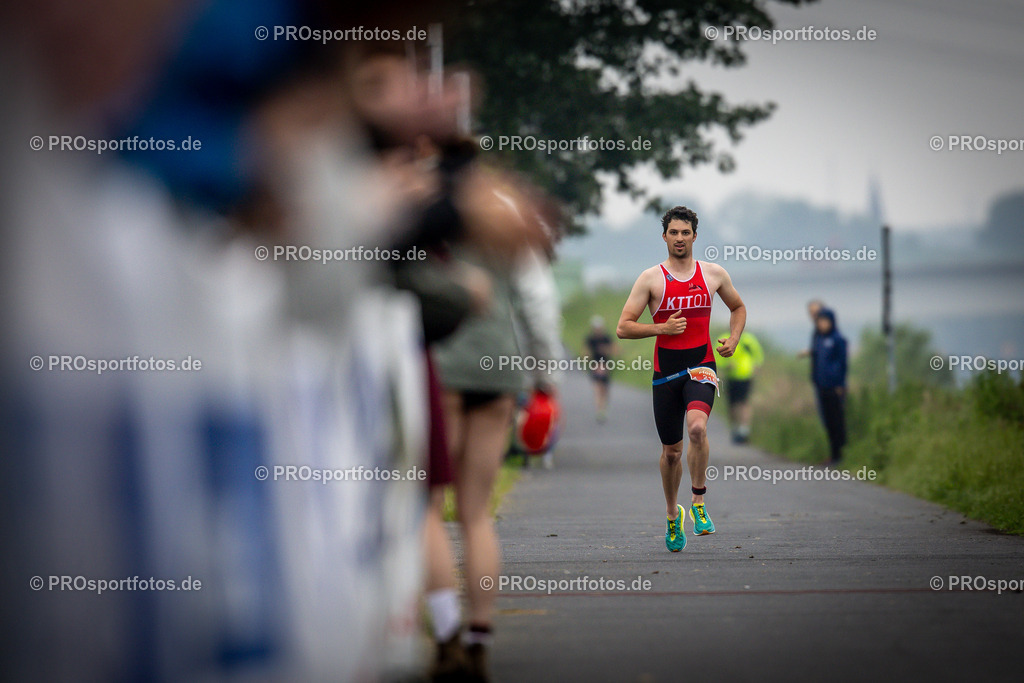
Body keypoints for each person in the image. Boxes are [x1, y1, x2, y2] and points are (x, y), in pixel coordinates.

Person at [616, 206, 746, 552]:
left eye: (685, 233)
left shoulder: (714, 274)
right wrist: (661, 327)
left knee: (698, 429)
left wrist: (733, 339)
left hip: (701, 365)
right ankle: (674, 515)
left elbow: (738, 307)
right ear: (664, 237)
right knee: (671, 453)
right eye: (673, 233)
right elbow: (623, 327)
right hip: (665, 374)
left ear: (694, 237)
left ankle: (699, 502)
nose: (679, 238)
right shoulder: (651, 279)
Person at [811, 308, 848, 466]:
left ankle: (841, 455)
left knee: (837, 420)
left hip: (835, 386)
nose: (822, 324)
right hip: (822, 385)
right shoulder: (819, 339)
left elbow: (843, 364)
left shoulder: (838, 339)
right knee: (828, 421)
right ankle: (833, 455)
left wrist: (840, 384)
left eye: (825, 321)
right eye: (819, 321)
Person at [715, 329, 764, 443]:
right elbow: (716, 358)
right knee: (732, 404)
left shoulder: (749, 340)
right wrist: (726, 365)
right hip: (731, 377)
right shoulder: (723, 338)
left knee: (744, 402)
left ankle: (744, 430)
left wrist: (755, 367)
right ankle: (736, 428)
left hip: (746, 376)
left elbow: (758, 356)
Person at [585, 315, 617, 423]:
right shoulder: (590, 339)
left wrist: (606, 350)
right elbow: (585, 352)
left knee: (604, 390)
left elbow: (615, 350)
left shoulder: (606, 338)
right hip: (595, 366)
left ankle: (603, 409)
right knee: (597, 389)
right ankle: (599, 411)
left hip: (606, 366)